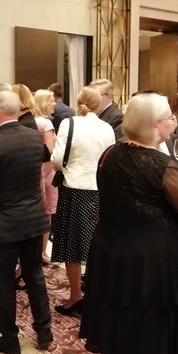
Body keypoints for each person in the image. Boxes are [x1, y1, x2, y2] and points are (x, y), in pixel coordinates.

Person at [80, 93, 178, 354]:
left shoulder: (110, 154)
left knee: (117, 326)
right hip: (151, 262)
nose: (173, 122)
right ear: (155, 125)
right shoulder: (162, 165)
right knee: (149, 334)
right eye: (169, 118)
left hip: (113, 251)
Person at [0, 91, 53, 354]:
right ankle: (44, 332)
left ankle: (10, 340)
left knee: (4, 282)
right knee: (35, 276)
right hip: (33, 219)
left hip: (3, 223)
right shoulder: (34, 137)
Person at [51, 86, 115, 313]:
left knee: (73, 247)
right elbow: (109, 158)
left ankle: (76, 295)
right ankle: (99, 294)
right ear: (99, 104)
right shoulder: (107, 127)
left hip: (74, 188)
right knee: (96, 243)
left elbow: (57, 160)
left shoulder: (69, 123)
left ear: (79, 102)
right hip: (99, 189)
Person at [33, 89, 58, 263]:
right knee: (46, 213)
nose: (54, 103)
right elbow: (50, 152)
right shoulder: (46, 124)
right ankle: (42, 252)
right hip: (47, 172)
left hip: (33, 171)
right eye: (51, 101)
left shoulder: (30, 121)